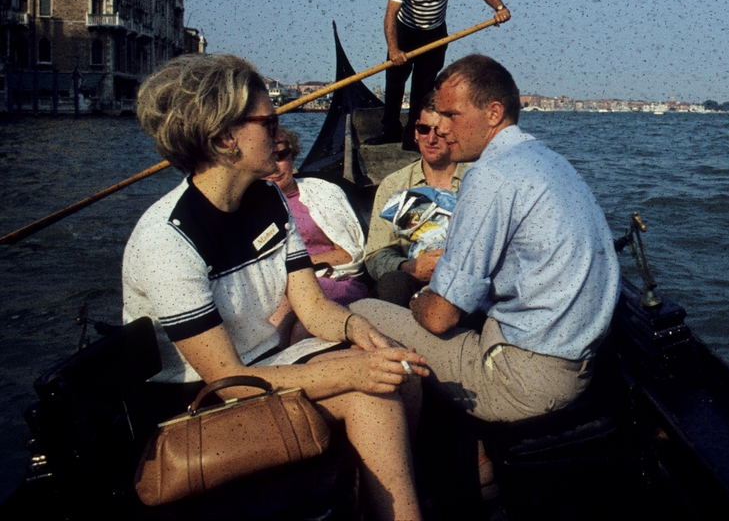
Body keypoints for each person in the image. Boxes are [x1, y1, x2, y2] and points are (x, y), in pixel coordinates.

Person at [122, 53, 428, 521]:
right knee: (372, 396)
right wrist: (350, 373)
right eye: (269, 121)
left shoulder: (268, 201)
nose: (280, 133)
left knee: (398, 373)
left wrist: (357, 331)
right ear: (226, 138)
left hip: (267, 366)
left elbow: (313, 308)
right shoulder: (168, 240)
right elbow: (226, 383)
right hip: (198, 405)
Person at [352, 55, 620, 423]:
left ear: (493, 113)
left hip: (520, 379)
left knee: (359, 313)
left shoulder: (489, 176)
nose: (442, 129)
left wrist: (416, 299)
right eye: (435, 118)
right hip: (576, 360)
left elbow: (439, 319)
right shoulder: (548, 160)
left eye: (451, 115)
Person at [380, 0, 511, 149]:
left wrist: (499, 7)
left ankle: (412, 136)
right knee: (395, 83)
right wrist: (394, 48)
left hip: (434, 34)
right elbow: (391, 13)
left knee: (423, 88)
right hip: (406, 32)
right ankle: (390, 130)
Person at [365, 95, 469, 306]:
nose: (431, 139)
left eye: (440, 131)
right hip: (410, 281)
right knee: (392, 284)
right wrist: (409, 267)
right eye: (424, 130)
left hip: (465, 282)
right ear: (415, 131)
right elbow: (376, 254)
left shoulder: (478, 181)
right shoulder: (394, 185)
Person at [267, 128, 369, 306]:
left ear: (292, 155)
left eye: (280, 155)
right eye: (265, 159)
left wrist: (295, 266)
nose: (274, 167)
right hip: (279, 291)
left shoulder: (323, 192)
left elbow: (349, 255)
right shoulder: (246, 208)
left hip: (335, 282)